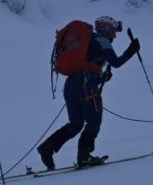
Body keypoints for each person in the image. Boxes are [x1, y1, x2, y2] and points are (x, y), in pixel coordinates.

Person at [39, 15, 139, 170]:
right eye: (113, 30)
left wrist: (100, 77)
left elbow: (88, 64)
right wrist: (131, 50)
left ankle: (47, 148)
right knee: (93, 121)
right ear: (106, 28)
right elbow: (116, 62)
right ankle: (84, 156)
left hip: (71, 84)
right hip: (86, 85)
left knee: (75, 124)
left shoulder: (89, 40)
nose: (115, 34)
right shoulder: (102, 40)